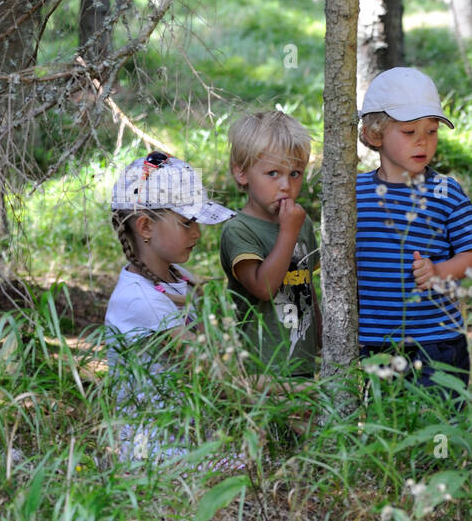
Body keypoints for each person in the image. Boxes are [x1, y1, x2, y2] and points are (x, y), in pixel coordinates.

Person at [355, 67, 472, 387]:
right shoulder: (354, 192)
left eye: (431, 131)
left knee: (438, 420)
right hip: (373, 342)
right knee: (386, 423)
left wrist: (440, 271)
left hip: (436, 340)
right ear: (375, 134)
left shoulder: (445, 191)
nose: (423, 143)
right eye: (409, 132)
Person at [104, 151, 234, 463]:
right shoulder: (139, 300)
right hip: (151, 450)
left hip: (187, 435)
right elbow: (214, 374)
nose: (198, 233)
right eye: (187, 222)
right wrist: (292, 390)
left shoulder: (180, 279)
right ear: (146, 227)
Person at [220, 111, 321, 378]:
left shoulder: (302, 224)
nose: (286, 186)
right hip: (259, 370)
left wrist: (323, 343)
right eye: (273, 173)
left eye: (295, 173)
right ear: (241, 173)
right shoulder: (238, 229)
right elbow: (263, 288)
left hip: (303, 365)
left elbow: (307, 286)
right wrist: (288, 233)